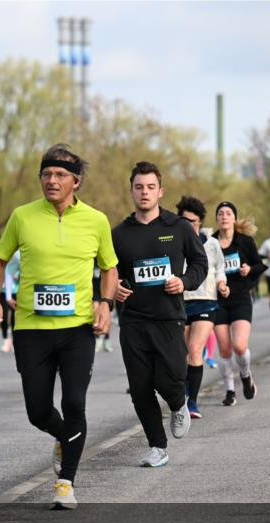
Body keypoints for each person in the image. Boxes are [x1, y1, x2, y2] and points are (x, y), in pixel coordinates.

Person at [0, 144, 117, 509]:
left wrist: (106, 304)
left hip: (78, 328)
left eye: (60, 175)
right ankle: (65, 437)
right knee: (37, 411)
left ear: (76, 181)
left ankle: (65, 483)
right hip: (31, 328)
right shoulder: (23, 217)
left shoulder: (96, 220)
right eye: (46, 174)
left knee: (74, 401)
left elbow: (109, 267)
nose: (51, 180)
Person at [112, 162, 207, 469]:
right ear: (131, 191)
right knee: (140, 387)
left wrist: (185, 281)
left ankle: (179, 402)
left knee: (170, 379)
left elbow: (199, 263)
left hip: (168, 317)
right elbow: (105, 272)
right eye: (139, 187)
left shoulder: (177, 227)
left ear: (160, 191)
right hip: (133, 320)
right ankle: (157, 446)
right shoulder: (119, 234)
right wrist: (113, 288)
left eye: (150, 187)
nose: (144, 192)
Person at [176, 196, 227, 420]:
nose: (190, 226)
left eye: (194, 222)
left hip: (206, 301)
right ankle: (182, 396)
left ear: (200, 221)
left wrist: (222, 284)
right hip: (179, 302)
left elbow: (220, 268)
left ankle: (192, 402)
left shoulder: (212, 243)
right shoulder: (171, 240)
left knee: (196, 349)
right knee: (181, 354)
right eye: (185, 221)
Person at [213, 201, 266, 406]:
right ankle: (229, 391)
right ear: (217, 219)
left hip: (241, 298)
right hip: (218, 300)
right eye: (220, 214)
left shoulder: (245, 241)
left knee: (239, 345)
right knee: (225, 350)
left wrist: (248, 270)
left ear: (234, 219)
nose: (224, 216)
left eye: (228, 213)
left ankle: (245, 374)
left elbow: (260, 265)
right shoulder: (210, 243)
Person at [0, 250, 21, 353]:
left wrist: (18, 276)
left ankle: (14, 340)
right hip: (4, 292)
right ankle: (4, 338)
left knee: (14, 316)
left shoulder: (20, 255)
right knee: (3, 315)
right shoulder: (3, 259)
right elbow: (8, 272)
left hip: (17, 291)